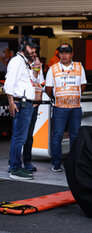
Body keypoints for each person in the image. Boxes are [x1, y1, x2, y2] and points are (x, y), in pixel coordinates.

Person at [45, 43, 87, 172]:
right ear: (59, 54)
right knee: (57, 135)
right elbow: (48, 89)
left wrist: (73, 95)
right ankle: (56, 163)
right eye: (62, 53)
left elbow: (83, 85)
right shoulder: (53, 68)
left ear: (72, 54)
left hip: (75, 107)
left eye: (67, 52)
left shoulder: (79, 67)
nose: (64, 55)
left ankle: (73, 162)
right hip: (59, 107)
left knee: (75, 136)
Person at [4, 35, 39, 180]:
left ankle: (15, 165)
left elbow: (34, 79)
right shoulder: (16, 61)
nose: (33, 51)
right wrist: (11, 102)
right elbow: (9, 84)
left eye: (34, 48)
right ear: (23, 46)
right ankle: (15, 168)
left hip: (26, 104)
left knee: (21, 137)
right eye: (31, 48)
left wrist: (36, 65)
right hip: (21, 103)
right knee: (19, 138)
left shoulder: (25, 62)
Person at [22, 47, 45, 172]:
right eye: (32, 52)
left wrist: (38, 102)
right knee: (19, 135)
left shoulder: (38, 67)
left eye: (36, 52)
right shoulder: (22, 65)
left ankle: (27, 162)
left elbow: (39, 84)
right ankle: (13, 162)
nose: (34, 54)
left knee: (29, 136)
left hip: (34, 105)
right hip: (22, 104)